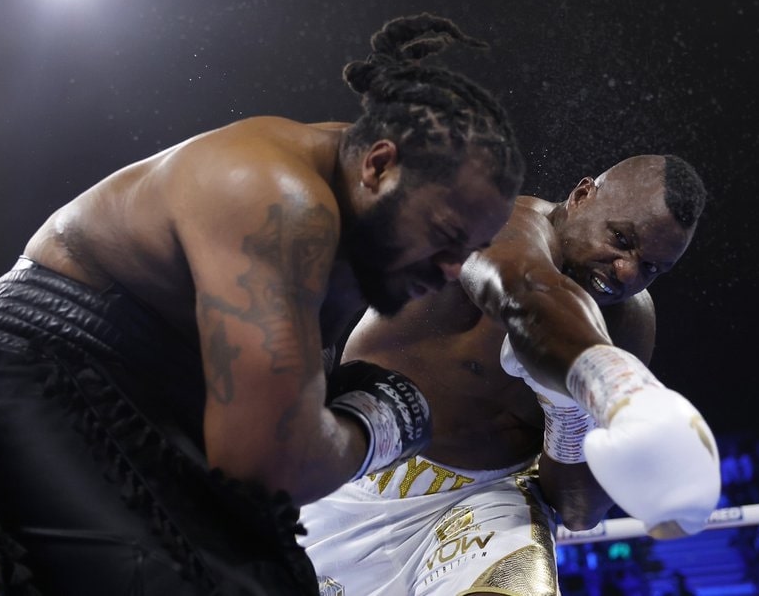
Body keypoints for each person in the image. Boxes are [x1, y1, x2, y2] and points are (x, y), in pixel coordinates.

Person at [0, 12, 525, 596]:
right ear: (380, 166)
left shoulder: (349, 242)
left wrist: (326, 429)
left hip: (154, 403)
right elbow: (267, 470)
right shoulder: (277, 202)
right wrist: (381, 423)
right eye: (445, 237)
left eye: (468, 249)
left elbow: (281, 462)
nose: (452, 270)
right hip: (30, 376)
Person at [300, 154, 721, 595]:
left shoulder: (630, 323)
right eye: (621, 238)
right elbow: (525, 292)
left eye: (652, 268)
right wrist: (615, 383)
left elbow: (578, 512)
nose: (627, 271)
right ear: (581, 196)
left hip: (477, 505)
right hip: (347, 467)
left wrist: (568, 415)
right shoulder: (499, 224)